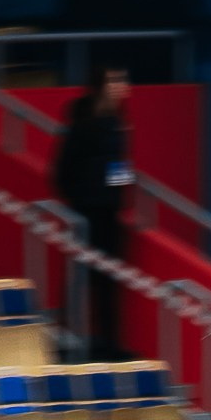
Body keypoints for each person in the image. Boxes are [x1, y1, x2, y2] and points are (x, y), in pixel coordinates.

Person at [52, 67, 135, 359]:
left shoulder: (118, 122)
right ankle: (67, 339)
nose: (123, 86)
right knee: (79, 277)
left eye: (123, 80)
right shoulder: (84, 122)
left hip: (109, 212)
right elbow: (62, 170)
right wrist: (81, 201)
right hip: (86, 211)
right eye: (115, 80)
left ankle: (109, 343)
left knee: (109, 279)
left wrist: (119, 194)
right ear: (101, 85)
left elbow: (119, 167)